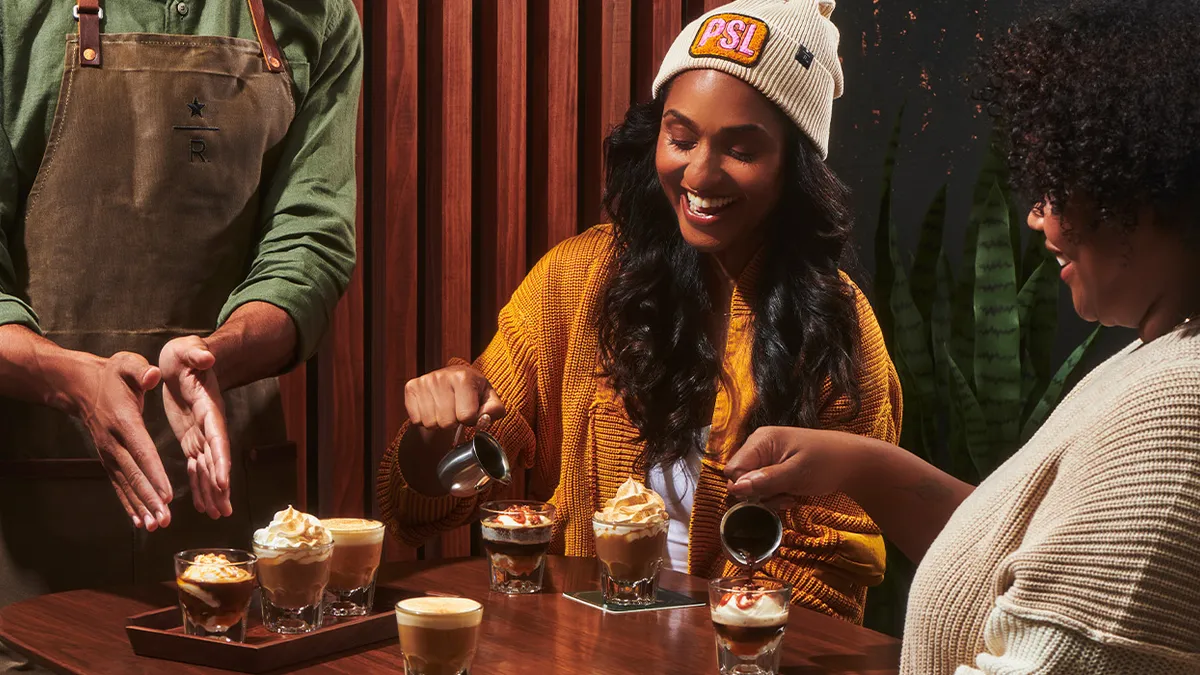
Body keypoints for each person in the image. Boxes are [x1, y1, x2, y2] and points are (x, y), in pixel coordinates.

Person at [379, 0, 901, 624]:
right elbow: (417, 507)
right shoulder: (575, 281)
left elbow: (831, 574)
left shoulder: (837, 325)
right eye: (680, 138)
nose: (700, 173)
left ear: (795, 165)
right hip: (575, 652)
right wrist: (436, 434)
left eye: (741, 150)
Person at [724, 0, 1200, 671]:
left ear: (1142, 186)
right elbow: (1018, 553)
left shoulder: (1175, 412)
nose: (1037, 217)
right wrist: (858, 463)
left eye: (1060, 185)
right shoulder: (1156, 355)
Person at [0, 0, 360, 640]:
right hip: (33, 499)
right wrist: (63, 377)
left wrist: (216, 356)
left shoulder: (321, 13)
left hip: (222, 479)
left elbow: (310, 239)